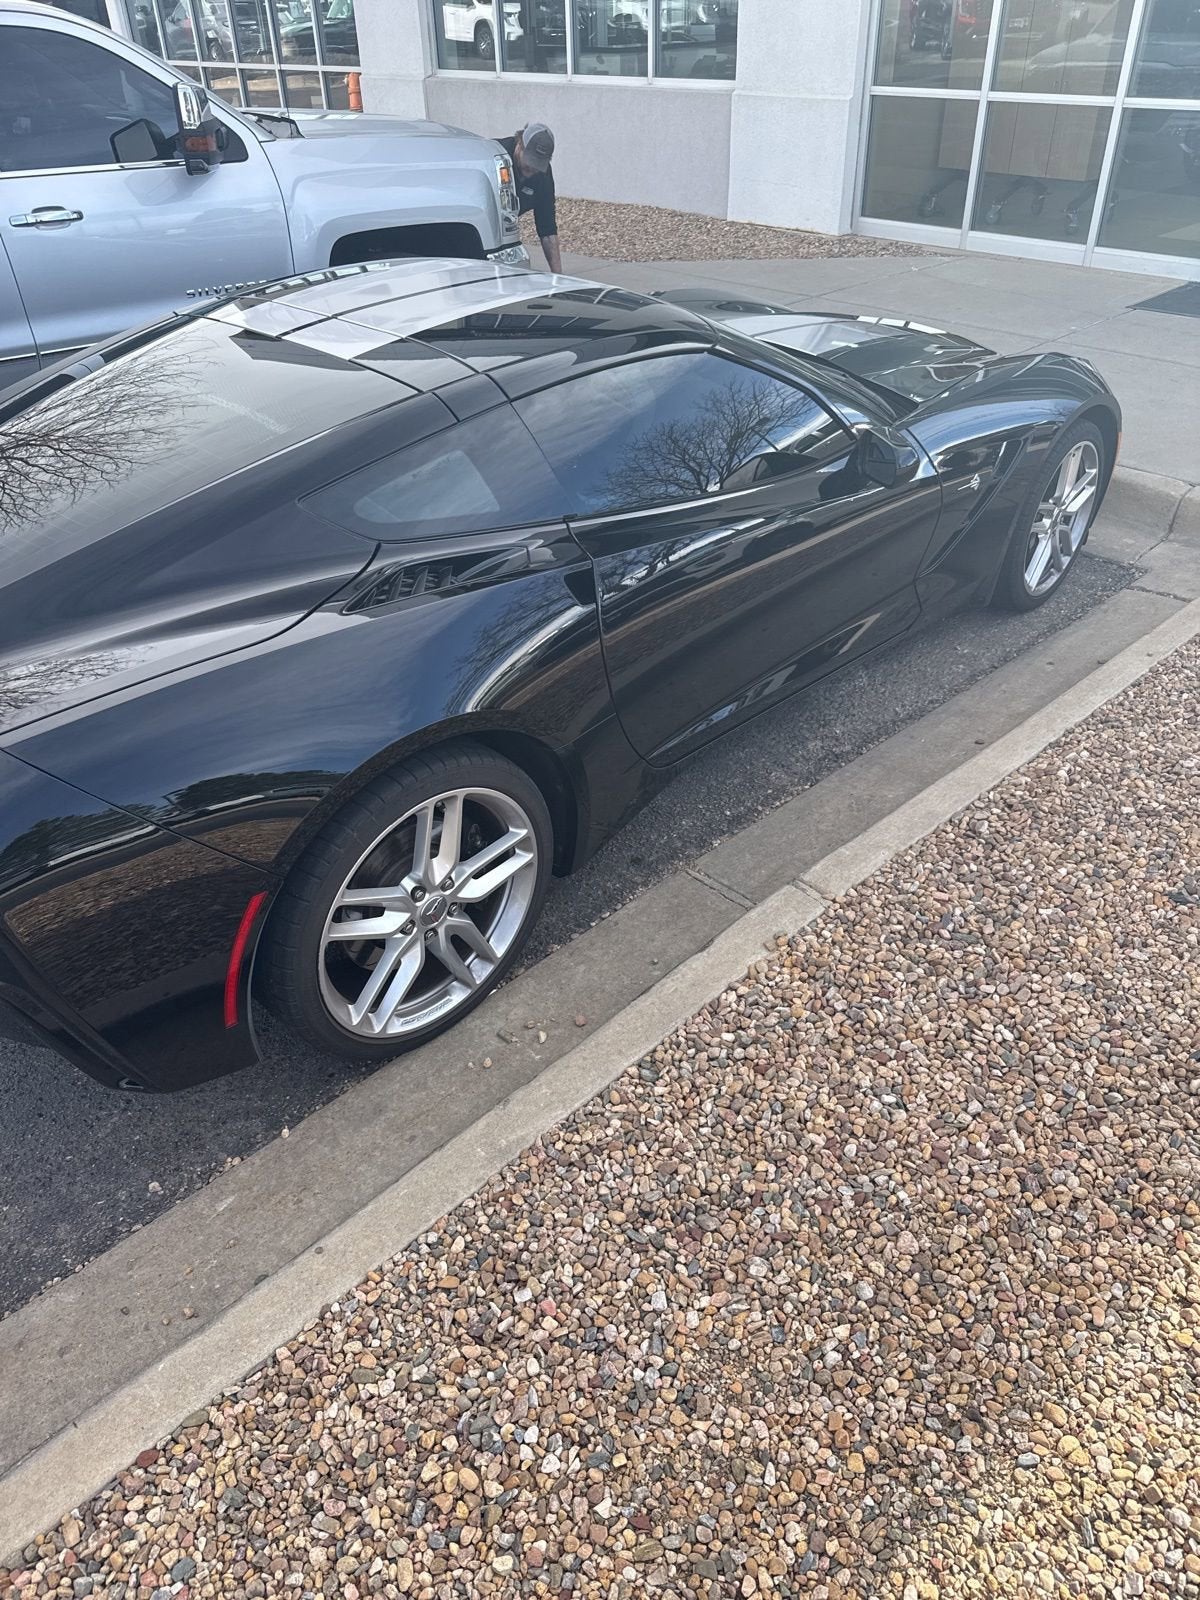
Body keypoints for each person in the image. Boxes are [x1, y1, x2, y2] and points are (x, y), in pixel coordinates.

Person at [496, 123, 562, 274]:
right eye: (530, 160)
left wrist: (558, 276)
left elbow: (548, 229)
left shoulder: (542, 175)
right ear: (519, 144)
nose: (532, 168)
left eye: (538, 164)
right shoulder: (496, 156)